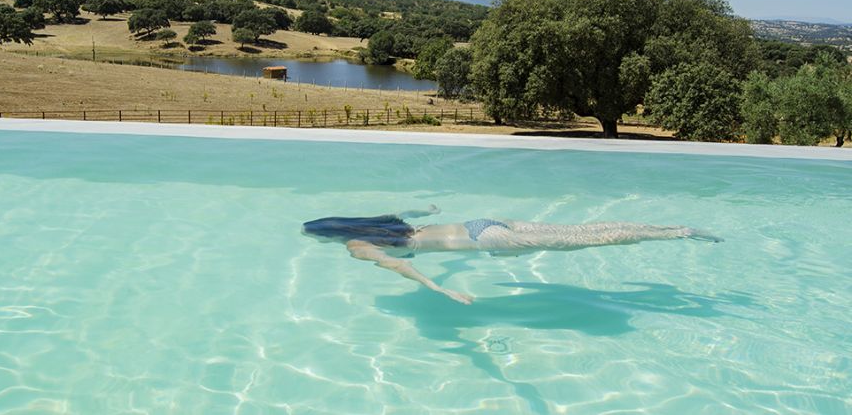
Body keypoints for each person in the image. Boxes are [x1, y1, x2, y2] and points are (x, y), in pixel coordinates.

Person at [302, 206, 722, 305]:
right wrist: (429, 209)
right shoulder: (383, 222)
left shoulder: (357, 246)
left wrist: (439, 289)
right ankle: (667, 228)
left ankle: (678, 234)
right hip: (483, 224)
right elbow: (415, 209)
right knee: (582, 231)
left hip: (490, 243)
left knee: (594, 240)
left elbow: (399, 266)